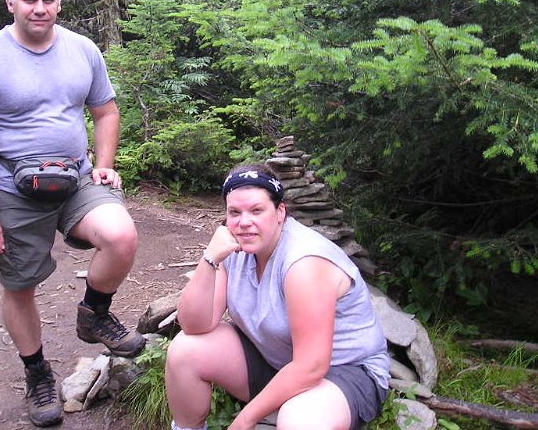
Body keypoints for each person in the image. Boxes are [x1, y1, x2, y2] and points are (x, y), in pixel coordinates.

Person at [0, 0, 145, 428]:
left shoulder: (83, 50)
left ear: (60, 2)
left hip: (75, 175)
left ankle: (93, 314)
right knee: (21, 284)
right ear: (10, 2)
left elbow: (106, 112)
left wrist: (103, 165)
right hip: (12, 189)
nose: (39, 7)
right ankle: (37, 373)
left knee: (121, 236)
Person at [165, 164, 389, 430]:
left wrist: (246, 419)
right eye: (234, 212)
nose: (244, 222)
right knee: (185, 349)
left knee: (299, 421)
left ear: (280, 212)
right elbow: (194, 325)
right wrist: (209, 259)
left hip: (343, 372)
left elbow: (312, 366)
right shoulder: (235, 247)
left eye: (256, 210)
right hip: (278, 361)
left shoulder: (302, 261)